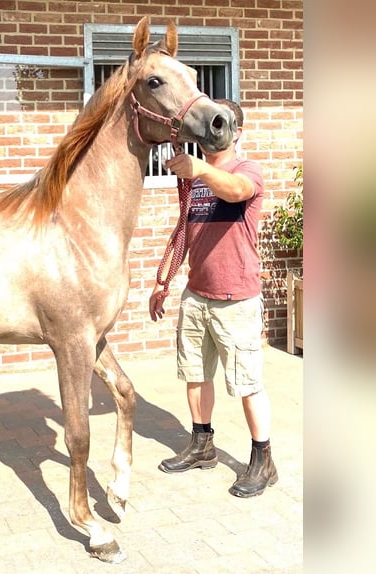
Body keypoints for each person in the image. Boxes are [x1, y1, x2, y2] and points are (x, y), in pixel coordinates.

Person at [149, 99, 277, 498]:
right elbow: (184, 232)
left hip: (235, 299)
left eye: (223, 124)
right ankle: (202, 445)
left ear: (236, 131)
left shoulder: (246, 170)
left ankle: (263, 460)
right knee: (194, 374)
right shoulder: (194, 180)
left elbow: (238, 192)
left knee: (247, 383)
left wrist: (201, 169)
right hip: (196, 295)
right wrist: (163, 281)